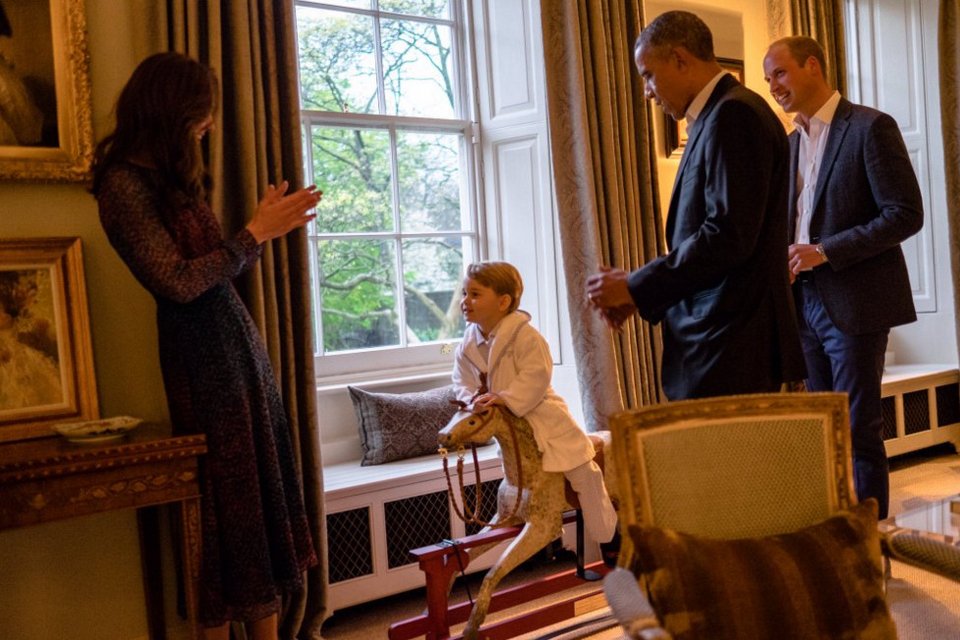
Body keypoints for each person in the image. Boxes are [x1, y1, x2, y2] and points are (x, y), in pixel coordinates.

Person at [91, 52, 321, 640]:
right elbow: (178, 282)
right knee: (225, 513)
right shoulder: (122, 185)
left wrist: (260, 230)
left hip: (234, 347)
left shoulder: (175, 181)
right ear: (172, 111)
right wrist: (253, 234)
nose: (210, 126)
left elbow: (216, 267)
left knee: (255, 505)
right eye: (203, 114)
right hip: (200, 360)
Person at [586, 10, 805, 400]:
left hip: (731, 345)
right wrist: (638, 294)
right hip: (720, 342)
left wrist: (636, 285)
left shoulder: (734, 114)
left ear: (680, 59)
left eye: (648, 75)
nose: (647, 92)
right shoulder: (716, 116)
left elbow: (727, 237)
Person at [763, 37, 923, 519]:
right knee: (824, 431)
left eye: (781, 73)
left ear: (812, 65)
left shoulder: (871, 127)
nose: (773, 86)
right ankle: (836, 534)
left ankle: (868, 544)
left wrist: (825, 252)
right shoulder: (788, 144)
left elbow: (904, 214)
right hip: (802, 304)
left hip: (856, 302)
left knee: (858, 429)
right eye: (769, 78)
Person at [454, 261, 620, 564]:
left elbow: (536, 376)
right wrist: (471, 401)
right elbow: (461, 381)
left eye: (475, 294)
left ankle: (609, 535)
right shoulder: (467, 343)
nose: (465, 301)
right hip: (504, 419)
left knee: (584, 471)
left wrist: (504, 397)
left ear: (503, 302)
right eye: (465, 293)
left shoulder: (526, 336)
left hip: (541, 414)